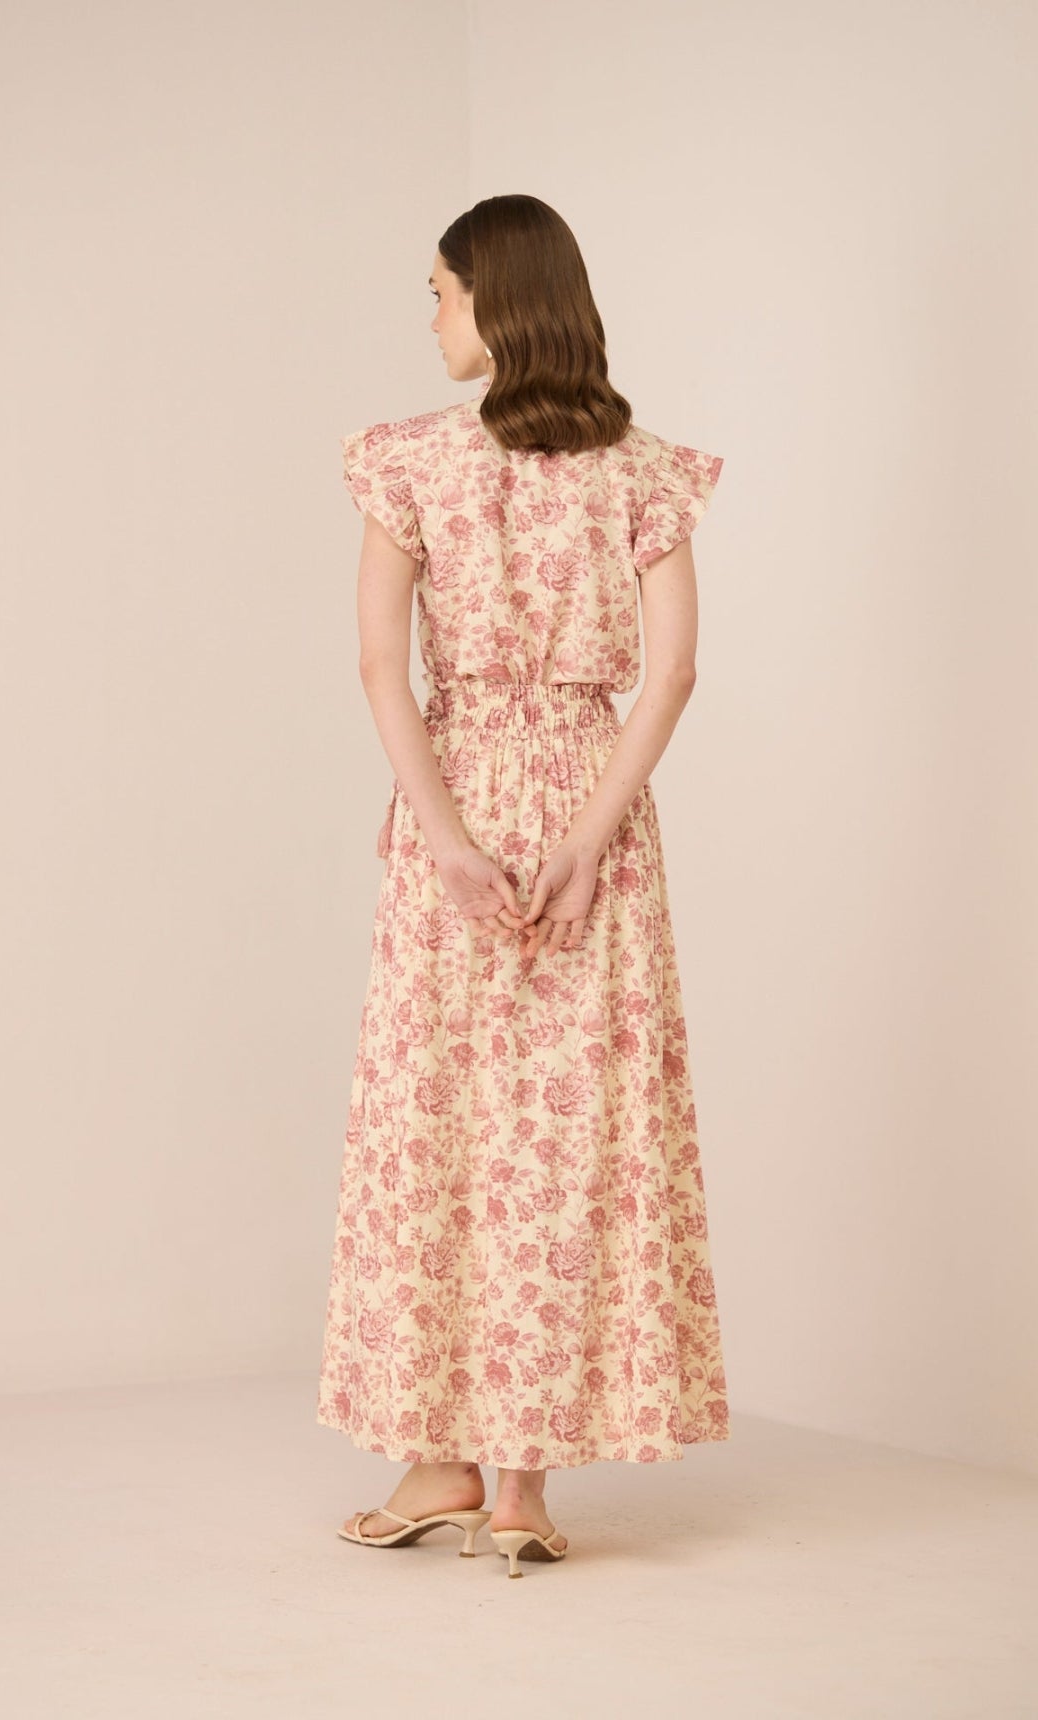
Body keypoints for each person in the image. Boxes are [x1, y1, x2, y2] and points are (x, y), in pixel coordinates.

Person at [315, 194, 730, 1578]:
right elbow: (669, 672)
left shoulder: (407, 465)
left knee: (435, 1131)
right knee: (565, 1144)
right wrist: (592, 834)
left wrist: (440, 833)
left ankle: (439, 1455)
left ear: (496, 302)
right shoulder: (648, 473)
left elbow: (383, 665)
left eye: (439, 293)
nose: (431, 318)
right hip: (587, 806)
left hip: (458, 794)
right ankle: (513, 1492)